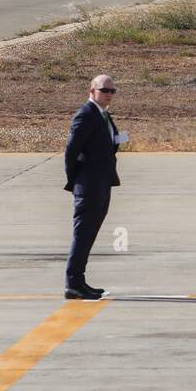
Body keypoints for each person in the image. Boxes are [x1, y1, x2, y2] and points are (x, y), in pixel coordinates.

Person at [63, 74, 123, 299]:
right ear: (92, 91)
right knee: (82, 235)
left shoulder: (103, 115)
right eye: (104, 90)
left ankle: (79, 281)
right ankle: (73, 284)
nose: (109, 95)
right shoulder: (85, 116)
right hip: (88, 186)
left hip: (101, 183)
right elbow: (71, 151)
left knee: (88, 235)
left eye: (112, 91)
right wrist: (76, 179)